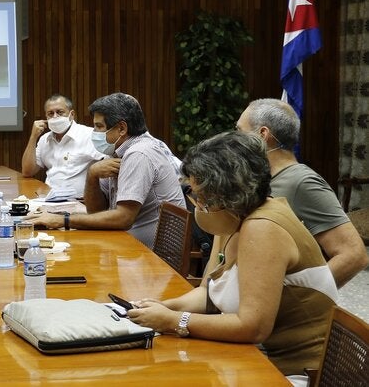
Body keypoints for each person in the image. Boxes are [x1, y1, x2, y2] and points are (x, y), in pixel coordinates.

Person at [127, 131, 337, 382]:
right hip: (251, 358)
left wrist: (174, 320)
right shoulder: (231, 219)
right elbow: (208, 293)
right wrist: (162, 307)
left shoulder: (263, 227)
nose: (195, 202)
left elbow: (252, 326)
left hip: (290, 371)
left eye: (198, 194)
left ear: (223, 193)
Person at [237, 98, 368, 287]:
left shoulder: (302, 182)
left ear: (262, 134)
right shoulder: (262, 178)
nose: (235, 140)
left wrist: (302, 298)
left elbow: (354, 256)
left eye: (240, 131)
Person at [28, 93, 185, 248]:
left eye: (99, 126)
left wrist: (64, 220)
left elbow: (123, 218)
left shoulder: (139, 153)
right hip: (126, 244)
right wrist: (92, 175)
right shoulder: (115, 152)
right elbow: (96, 211)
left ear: (121, 128)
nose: (94, 133)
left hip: (153, 258)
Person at [21, 94, 105, 198]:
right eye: (50, 113)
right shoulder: (44, 139)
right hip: (49, 198)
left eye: (60, 112)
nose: (55, 116)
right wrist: (33, 137)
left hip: (81, 201)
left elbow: (109, 164)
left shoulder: (89, 135)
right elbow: (27, 171)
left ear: (72, 114)